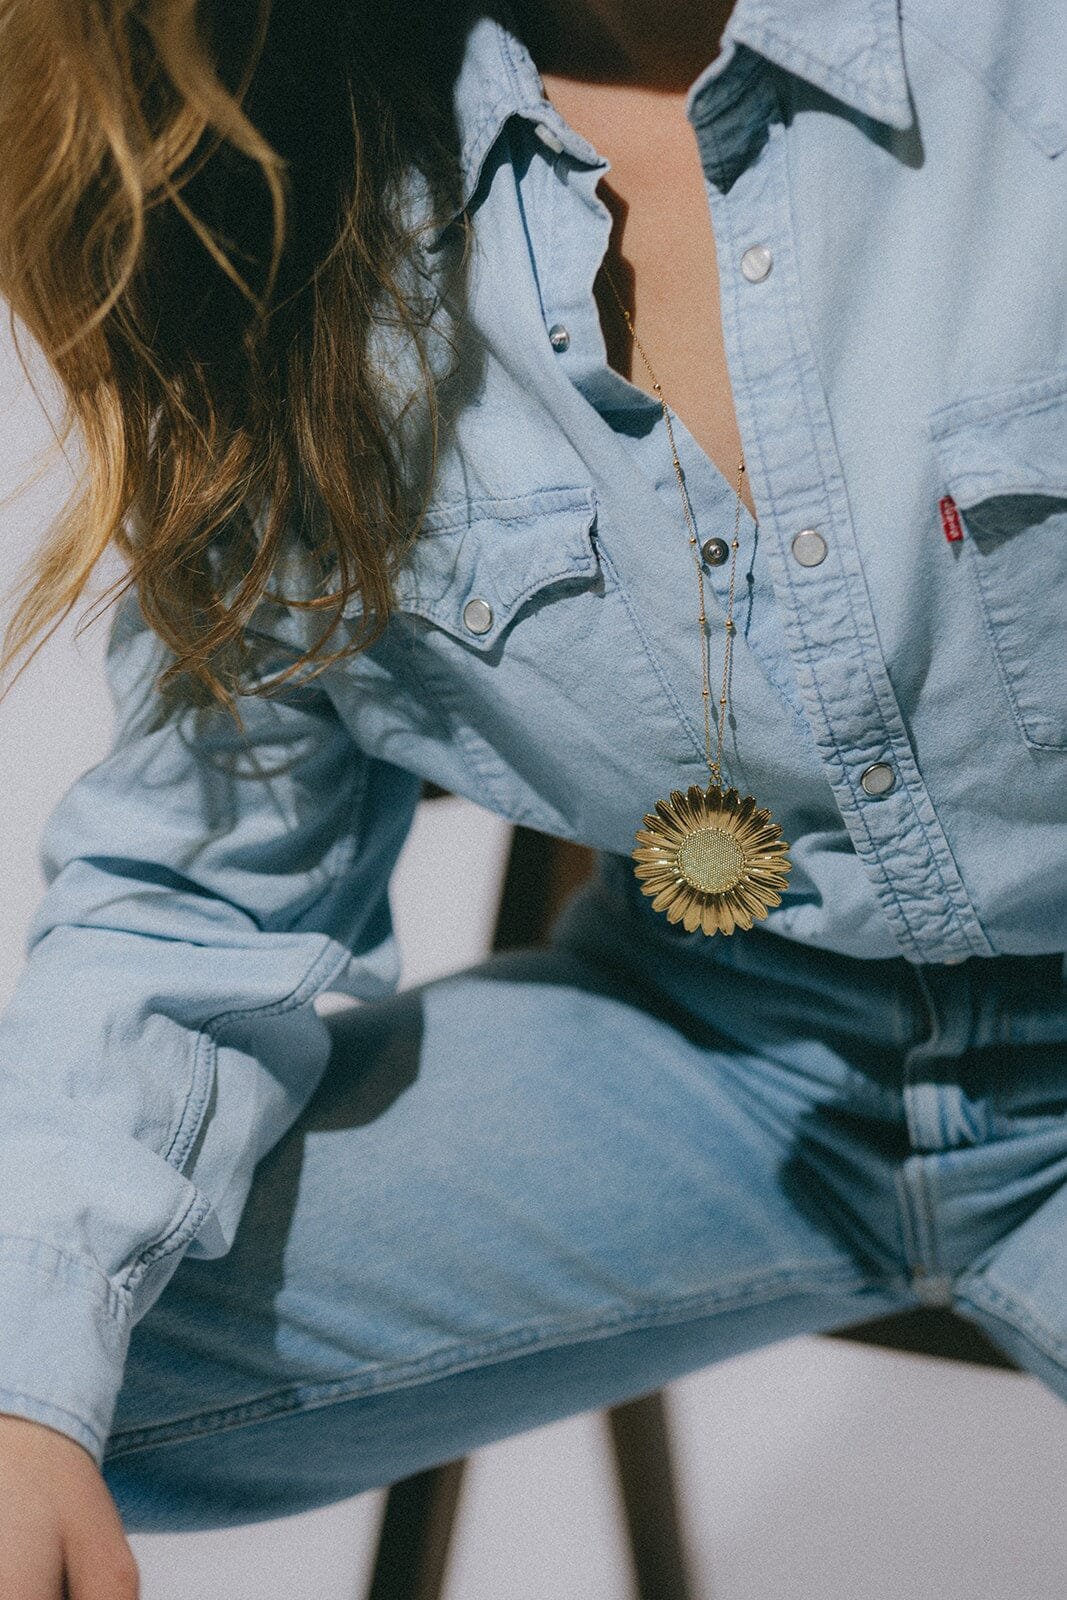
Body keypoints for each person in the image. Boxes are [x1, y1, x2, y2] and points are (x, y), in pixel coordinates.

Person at [0, 0, 1064, 1591]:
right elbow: (195, 885)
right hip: (714, 1045)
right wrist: (28, 1380)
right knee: (32, 1337)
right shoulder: (280, 194)